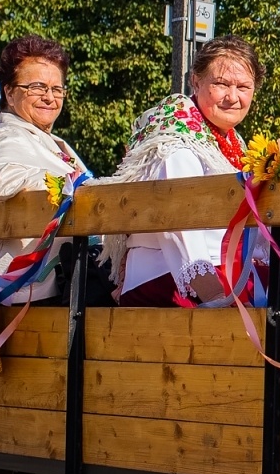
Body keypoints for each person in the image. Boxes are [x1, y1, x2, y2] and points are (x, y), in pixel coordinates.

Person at [107, 36, 263, 307]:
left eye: (243, 87)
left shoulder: (233, 143)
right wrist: (214, 296)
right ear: (196, 81)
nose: (233, 97)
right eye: (221, 84)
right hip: (172, 276)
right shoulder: (175, 139)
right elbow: (178, 224)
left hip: (221, 271)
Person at [0, 35, 90, 303]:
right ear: (9, 92)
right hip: (23, 294)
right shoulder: (8, 136)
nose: (49, 97)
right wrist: (65, 185)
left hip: (56, 289)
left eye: (57, 89)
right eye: (37, 87)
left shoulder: (50, 141)